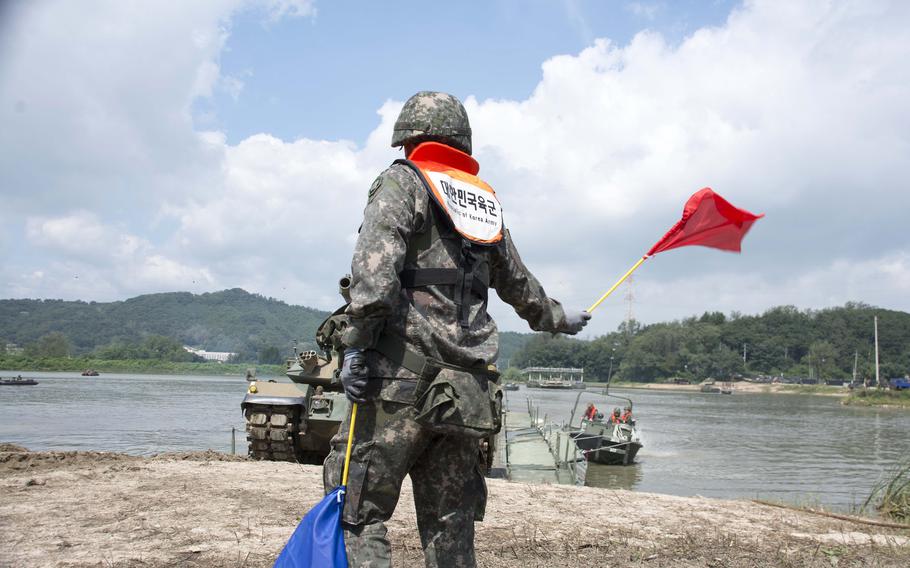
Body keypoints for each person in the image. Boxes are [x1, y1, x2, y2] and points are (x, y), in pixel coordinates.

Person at [322, 91, 591, 567]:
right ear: (461, 141)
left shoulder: (402, 183)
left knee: (359, 512)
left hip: (398, 384)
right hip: (466, 392)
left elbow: (375, 276)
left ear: (407, 138)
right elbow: (519, 284)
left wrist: (357, 349)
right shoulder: (482, 204)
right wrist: (558, 317)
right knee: (451, 524)